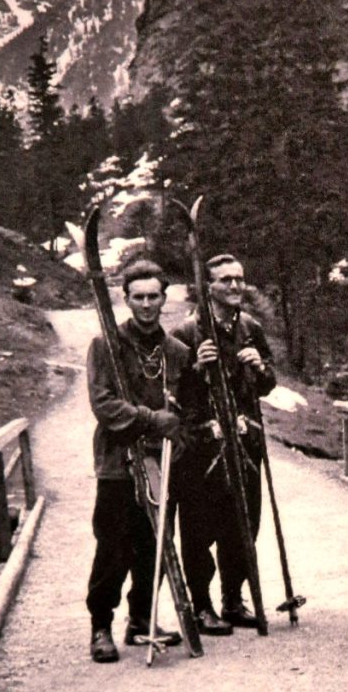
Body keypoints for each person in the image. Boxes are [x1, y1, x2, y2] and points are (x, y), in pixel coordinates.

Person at [86, 259, 189, 663]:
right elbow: (104, 405)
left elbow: (185, 407)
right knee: (113, 546)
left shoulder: (176, 351)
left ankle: (141, 618)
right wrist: (150, 419)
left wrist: (176, 425)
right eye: (138, 297)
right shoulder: (107, 344)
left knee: (155, 544)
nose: (147, 304)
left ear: (165, 298)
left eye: (154, 296)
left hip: (161, 462)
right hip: (117, 463)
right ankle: (100, 626)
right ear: (126, 300)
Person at [172, 253, 276, 636]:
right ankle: (202, 606)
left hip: (245, 442)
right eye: (225, 280)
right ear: (207, 287)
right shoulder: (186, 333)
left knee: (244, 523)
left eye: (239, 279)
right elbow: (172, 394)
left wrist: (259, 368)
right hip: (202, 446)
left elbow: (269, 384)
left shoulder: (250, 328)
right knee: (199, 528)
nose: (235, 286)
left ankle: (234, 599)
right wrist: (197, 368)